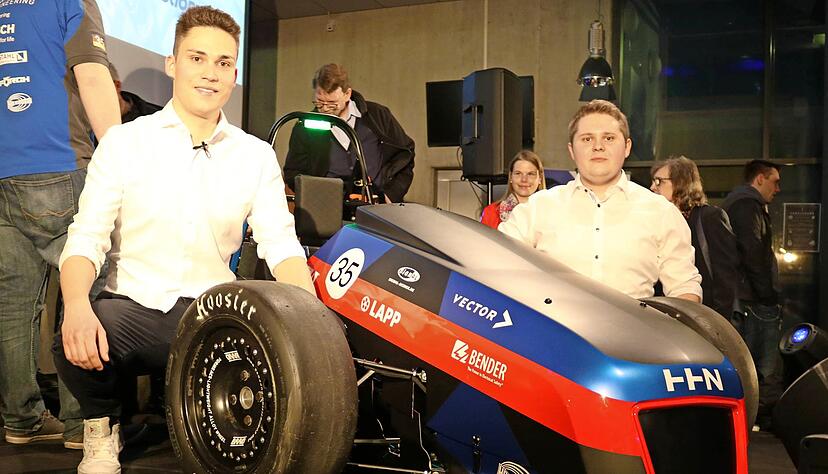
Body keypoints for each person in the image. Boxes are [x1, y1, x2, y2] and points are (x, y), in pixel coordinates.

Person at [52, 6, 314, 473]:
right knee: (74, 334)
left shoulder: (255, 156)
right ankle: (101, 426)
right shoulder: (124, 143)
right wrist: (75, 305)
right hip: (134, 309)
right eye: (197, 58)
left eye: (223, 62)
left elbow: (280, 244)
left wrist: (311, 319)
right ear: (173, 64)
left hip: (212, 312)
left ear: (234, 74)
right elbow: (86, 237)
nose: (210, 73)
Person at [0, 0, 120, 450]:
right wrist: (122, 158)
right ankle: (82, 424)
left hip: (4, 172)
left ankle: (21, 419)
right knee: (84, 288)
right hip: (58, 164)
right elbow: (93, 76)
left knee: (13, 303)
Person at [499, 100, 701, 301]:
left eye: (609, 138)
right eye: (587, 139)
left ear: (627, 147)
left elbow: (684, 287)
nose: (598, 146)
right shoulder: (536, 208)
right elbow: (497, 268)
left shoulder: (661, 212)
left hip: (631, 322)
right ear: (571, 150)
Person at [283, 63, 415, 203]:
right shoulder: (304, 127)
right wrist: (316, 195)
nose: (325, 109)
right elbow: (292, 172)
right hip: (326, 208)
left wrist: (390, 196)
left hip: (376, 206)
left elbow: (405, 154)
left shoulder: (377, 116)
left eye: (332, 103)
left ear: (347, 94)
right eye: (319, 102)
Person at [721, 159, 782, 428]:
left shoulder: (740, 204)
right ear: (759, 179)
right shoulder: (747, 206)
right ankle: (758, 417)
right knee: (764, 365)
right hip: (753, 299)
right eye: (774, 182)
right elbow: (753, 251)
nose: (777, 189)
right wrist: (767, 295)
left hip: (747, 295)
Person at [651, 156, 739, 318]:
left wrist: (716, 322)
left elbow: (725, 277)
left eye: (659, 181)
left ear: (681, 183)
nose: (652, 187)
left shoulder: (709, 217)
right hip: (661, 316)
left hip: (704, 316)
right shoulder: (656, 221)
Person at [480, 150, 546, 229]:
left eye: (530, 174)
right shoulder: (491, 212)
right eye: (518, 173)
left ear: (540, 179)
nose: (524, 179)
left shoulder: (551, 212)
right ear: (511, 177)